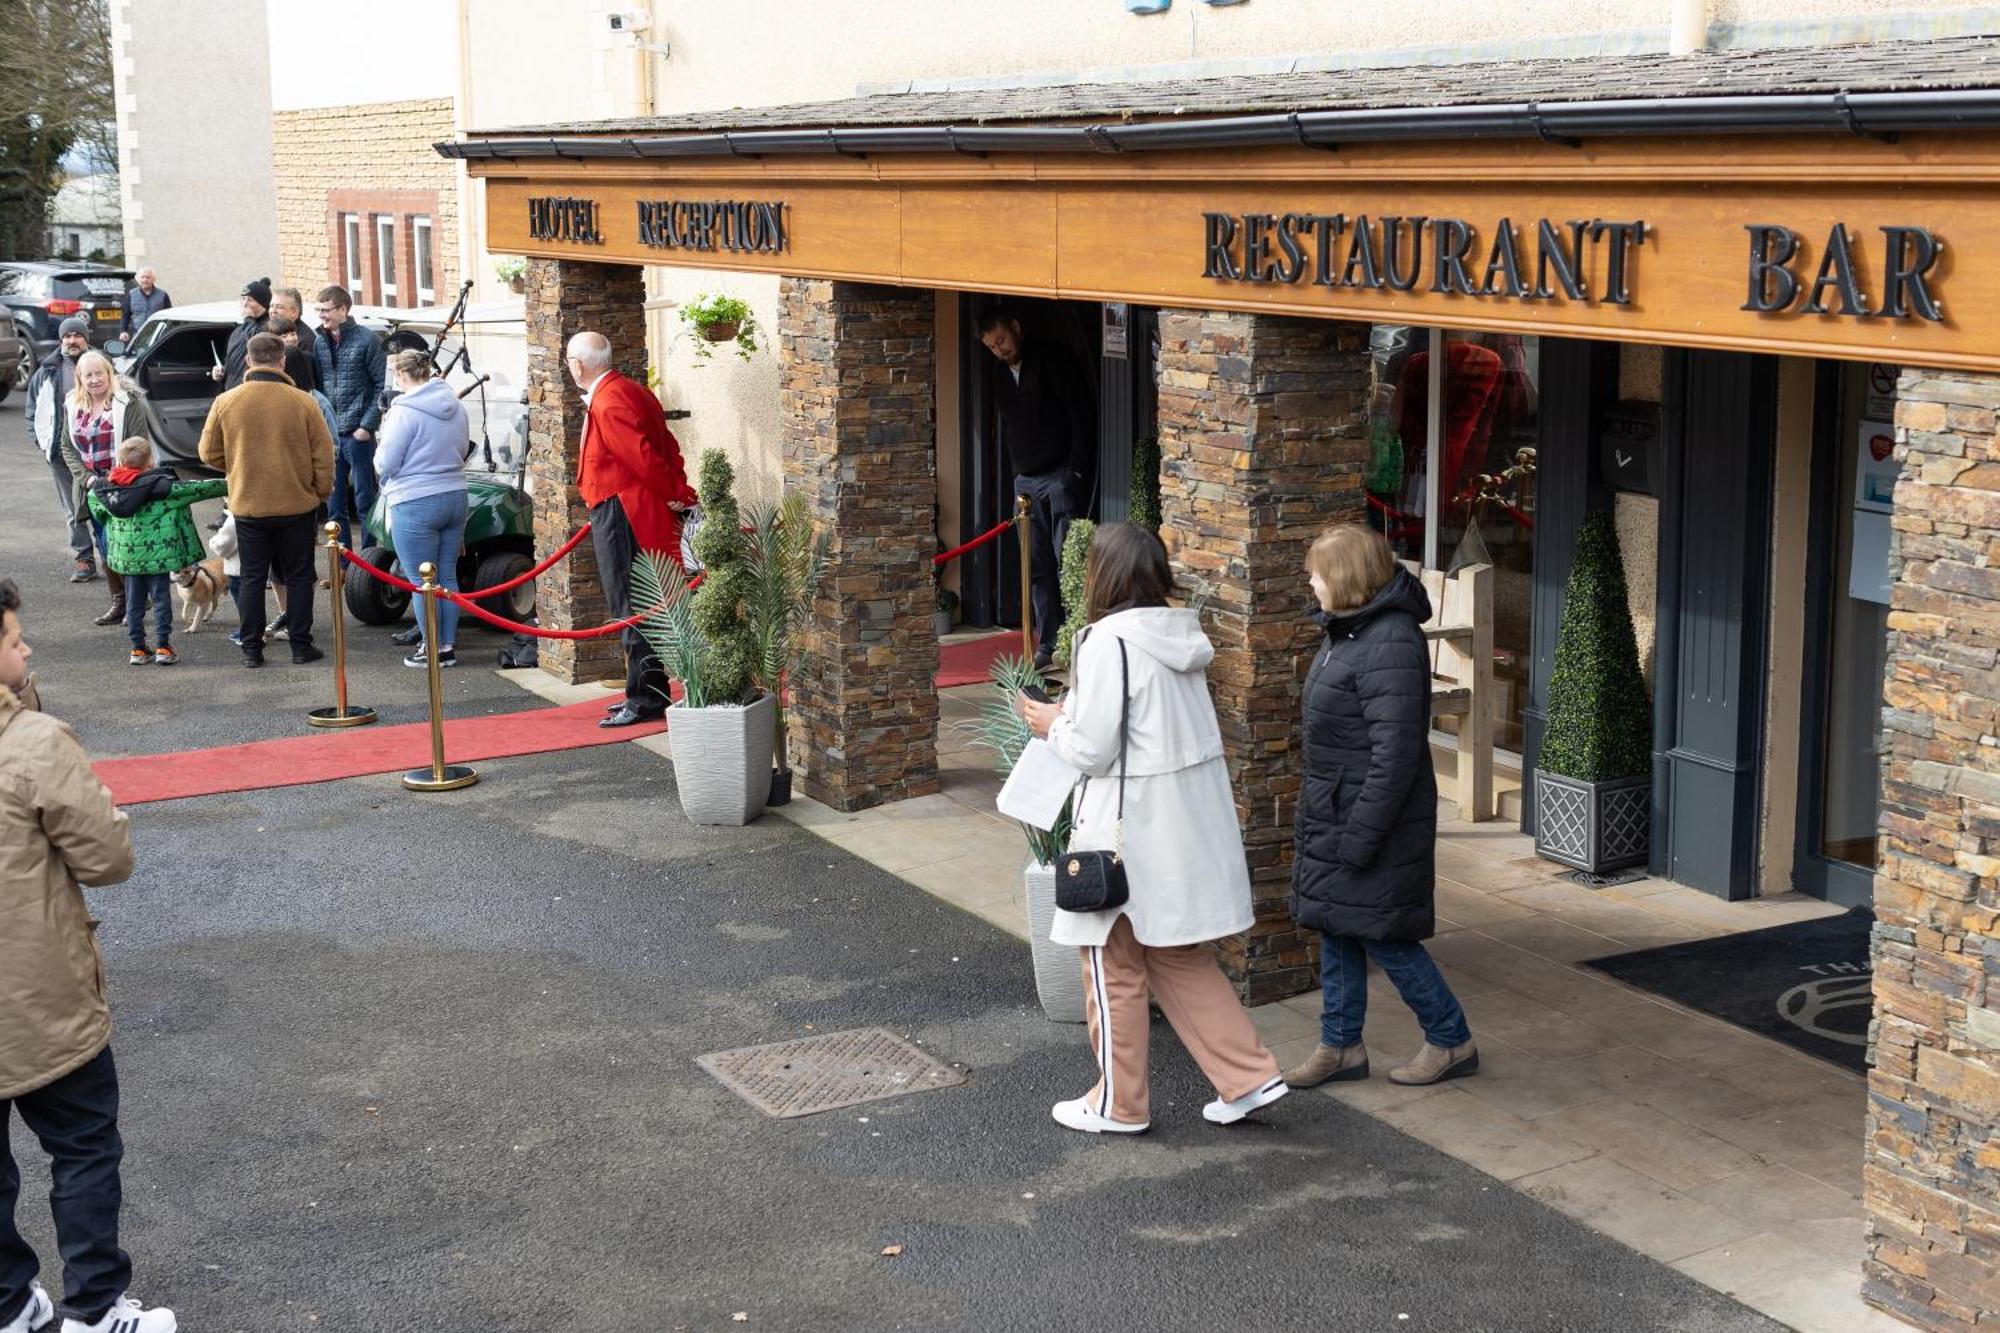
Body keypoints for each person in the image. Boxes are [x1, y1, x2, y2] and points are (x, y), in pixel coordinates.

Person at [1019, 523, 1288, 1134]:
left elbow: (1091, 747)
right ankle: (1248, 1076)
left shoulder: (1106, 640)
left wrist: (1050, 724)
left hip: (1128, 835)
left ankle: (1119, 1103)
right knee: (1177, 956)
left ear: (1102, 575)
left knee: (1110, 962)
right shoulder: (1180, 635)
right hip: (1182, 829)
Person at [0, 579, 178, 1333]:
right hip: (38, 992)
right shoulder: (33, 743)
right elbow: (107, 856)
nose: (27, 646)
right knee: (82, 1145)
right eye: (12, 639)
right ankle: (98, 1307)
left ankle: (9, 1303)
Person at [1283, 524, 1478, 1090]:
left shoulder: (1388, 639)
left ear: (1344, 576)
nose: (1310, 580)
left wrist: (1361, 834)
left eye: (1317, 570)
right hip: (1337, 810)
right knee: (1337, 926)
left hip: (1371, 819)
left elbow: (1394, 756)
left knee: (1385, 935)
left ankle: (1451, 1039)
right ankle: (1340, 1046)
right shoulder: (1350, 630)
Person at [565, 330, 697, 728]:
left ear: (578, 365)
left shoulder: (608, 400)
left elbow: (640, 458)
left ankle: (644, 699)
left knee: (630, 608)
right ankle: (645, 692)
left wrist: (677, 490)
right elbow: (666, 446)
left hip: (622, 511)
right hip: (629, 506)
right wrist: (677, 488)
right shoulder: (632, 391)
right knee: (640, 604)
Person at [197, 332, 334, 668]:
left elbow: (207, 452)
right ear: (282, 360)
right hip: (297, 504)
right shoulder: (304, 402)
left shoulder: (226, 401)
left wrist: (239, 466)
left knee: (253, 577)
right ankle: (301, 645)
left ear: (247, 360)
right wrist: (319, 492)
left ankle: (251, 650)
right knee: (300, 575)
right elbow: (324, 456)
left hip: (249, 505)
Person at [978, 307, 1095, 672]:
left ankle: (1079, 640)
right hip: (1024, 478)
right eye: (992, 347)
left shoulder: (1052, 359)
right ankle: (1047, 643)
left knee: (1068, 559)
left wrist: (1075, 471)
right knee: (1036, 565)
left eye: (1002, 341)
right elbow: (1007, 421)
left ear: (1016, 327)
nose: (1000, 351)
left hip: (1059, 472)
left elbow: (1080, 414)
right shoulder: (999, 374)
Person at [86, 437, 228, 666]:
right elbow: (203, 488)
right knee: (161, 601)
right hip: (160, 558)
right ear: (150, 461)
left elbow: (96, 509)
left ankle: (138, 650)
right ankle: (163, 647)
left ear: (120, 462)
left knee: (134, 603)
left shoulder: (103, 491)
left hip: (128, 559)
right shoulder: (166, 488)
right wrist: (234, 480)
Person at [374, 350, 470, 670]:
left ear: (401, 377)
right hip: (455, 493)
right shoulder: (455, 404)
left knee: (420, 580)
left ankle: (432, 647)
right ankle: (446, 645)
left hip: (415, 498)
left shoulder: (402, 411)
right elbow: (463, 446)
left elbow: (385, 462)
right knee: (447, 575)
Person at [60, 352, 145, 629]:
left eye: (100, 374)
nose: (95, 380)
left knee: (125, 546)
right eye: (89, 375)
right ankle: (119, 602)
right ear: (80, 379)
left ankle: (135, 604)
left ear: (109, 374)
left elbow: (139, 443)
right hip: (92, 489)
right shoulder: (72, 404)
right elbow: (66, 447)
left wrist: (120, 476)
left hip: (123, 486)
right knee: (105, 546)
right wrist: (85, 478)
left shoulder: (126, 403)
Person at [310, 286, 386, 550]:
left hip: (358, 435)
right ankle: (341, 562)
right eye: (318, 310)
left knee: (365, 502)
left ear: (343, 309)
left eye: (326, 310)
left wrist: (367, 426)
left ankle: (367, 562)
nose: (321, 315)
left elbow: (381, 386)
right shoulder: (320, 342)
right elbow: (319, 387)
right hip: (331, 435)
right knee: (334, 504)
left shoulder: (367, 340)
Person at [26, 319, 96, 583]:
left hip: (96, 450)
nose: (72, 340)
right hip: (60, 453)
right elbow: (33, 409)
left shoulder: (100, 365)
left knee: (102, 505)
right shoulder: (47, 370)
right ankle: (84, 559)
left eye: (78, 335)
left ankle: (111, 555)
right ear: (61, 340)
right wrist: (41, 441)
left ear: (86, 339)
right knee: (72, 508)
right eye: (67, 336)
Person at [213, 277, 271, 391]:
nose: (245, 304)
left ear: (263, 303)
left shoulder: (268, 327)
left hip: (251, 392)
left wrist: (249, 318)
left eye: (250, 300)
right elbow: (231, 361)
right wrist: (221, 372)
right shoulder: (238, 331)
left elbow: (255, 341)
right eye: (243, 299)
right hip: (231, 392)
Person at [268, 287, 318, 392]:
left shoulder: (305, 340)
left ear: (294, 312)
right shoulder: (269, 332)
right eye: (271, 306)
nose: (273, 311)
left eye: (279, 307)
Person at [119, 268, 170, 336]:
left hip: (158, 335)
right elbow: (125, 315)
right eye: (142, 277)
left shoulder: (163, 295)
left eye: (148, 277)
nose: (145, 280)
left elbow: (168, 316)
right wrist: (123, 331)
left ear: (153, 279)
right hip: (138, 335)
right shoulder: (131, 294)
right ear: (138, 279)